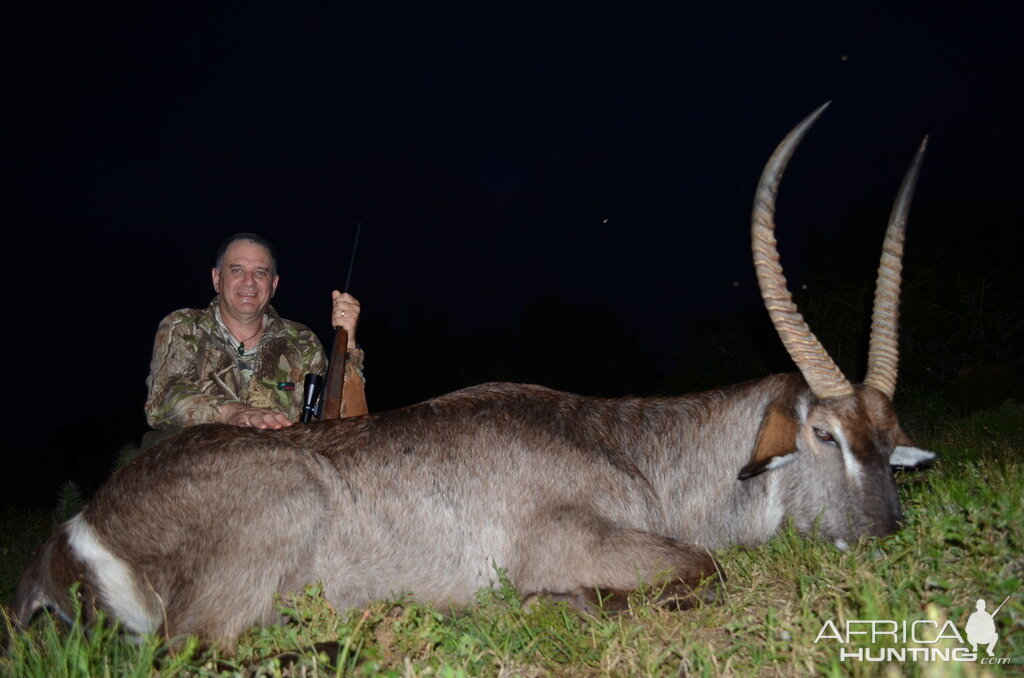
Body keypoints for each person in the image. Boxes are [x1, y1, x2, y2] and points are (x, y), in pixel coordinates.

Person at [145, 232, 365, 431]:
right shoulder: (184, 326)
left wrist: (349, 341)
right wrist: (234, 412)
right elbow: (163, 401)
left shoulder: (302, 341)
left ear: (274, 285)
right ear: (217, 279)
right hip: (199, 469)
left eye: (260, 272)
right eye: (237, 270)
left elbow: (342, 423)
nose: (249, 282)